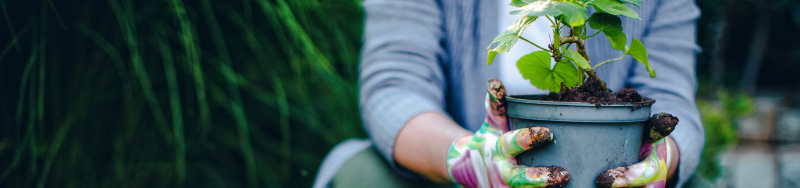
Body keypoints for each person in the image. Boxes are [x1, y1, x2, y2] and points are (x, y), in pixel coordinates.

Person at [313, 0, 704, 187]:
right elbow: (394, 89)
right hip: (449, 177)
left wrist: (660, 160)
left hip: (604, 173)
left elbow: (671, 100)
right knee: (361, 174)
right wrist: (468, 159)